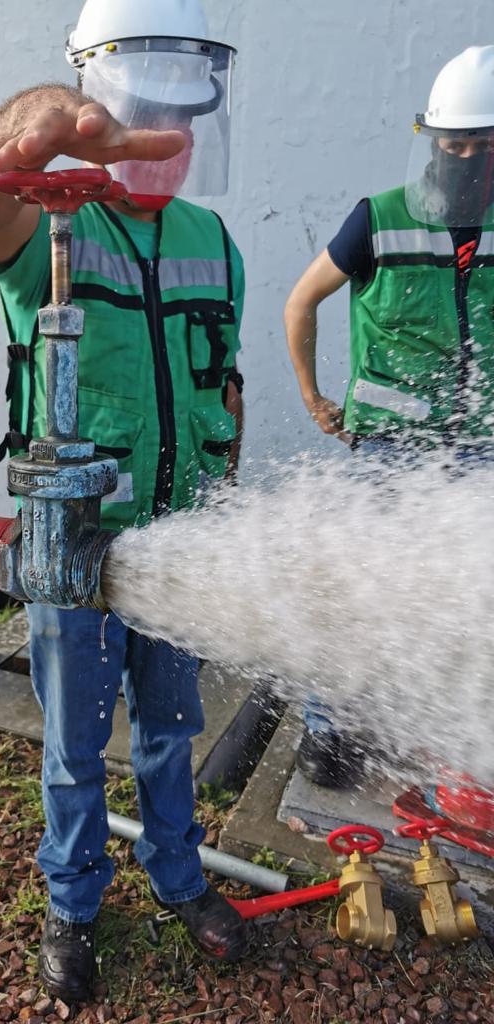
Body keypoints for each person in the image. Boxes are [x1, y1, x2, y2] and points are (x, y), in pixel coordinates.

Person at [0, 0, 247, 1003]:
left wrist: (232, 494)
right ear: (97, 103)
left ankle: (178, 877)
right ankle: (73, 906)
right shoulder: (54, 222)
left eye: (190, 122)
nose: (172, 144)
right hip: (77, 549)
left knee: (171, 727)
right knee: (76, 745)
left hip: (179, 547)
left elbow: (222, 383)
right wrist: (28, 126)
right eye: (149, 116)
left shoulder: (216, 238)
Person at [284, 45, 494, 788]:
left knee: (465, 600)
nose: (464, 156)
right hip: (391, 448)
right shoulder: (380, 217)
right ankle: (328, 728)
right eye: (452, 143)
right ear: (431, 141)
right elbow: (301, 301)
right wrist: (314, 398)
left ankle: (447, 733)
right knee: (360, 586)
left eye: (480, 144)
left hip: (481, 452)